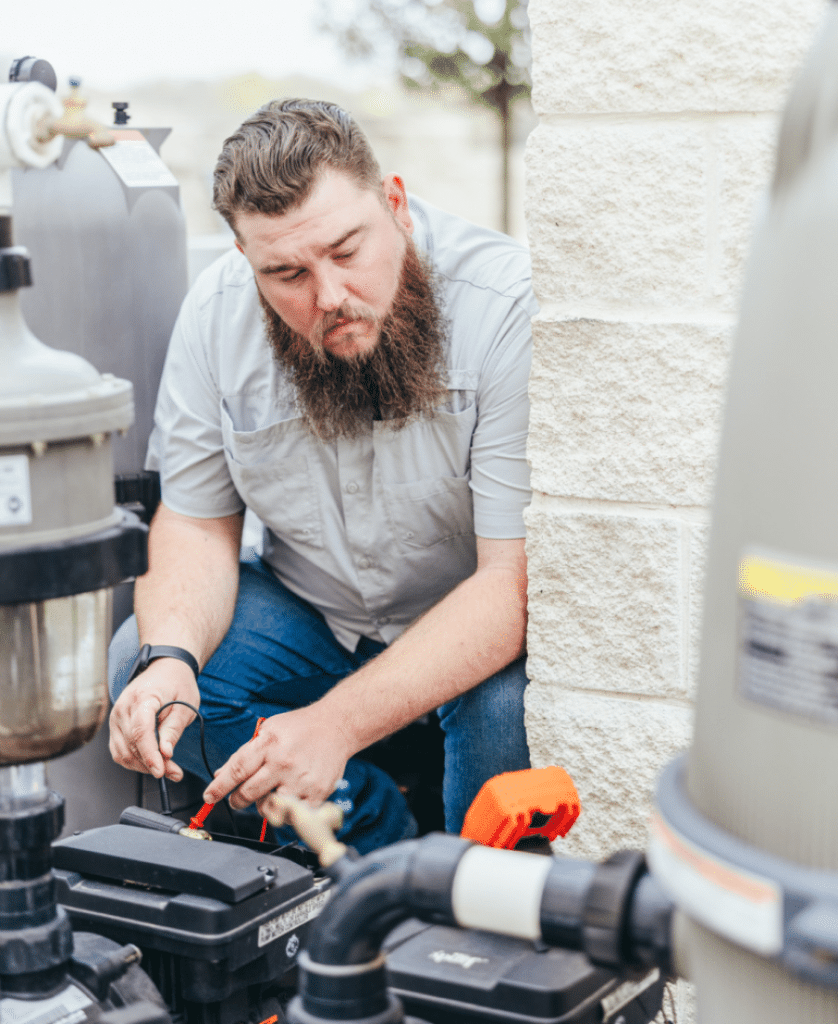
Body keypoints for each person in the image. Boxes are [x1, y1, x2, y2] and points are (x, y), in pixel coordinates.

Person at [108, 98, 536, 853]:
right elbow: (198, 522)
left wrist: (334, 726)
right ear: (246, 261)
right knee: (144, 667)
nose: (330, 295)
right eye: (287, 273)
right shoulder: (216, 314)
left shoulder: (503, 306)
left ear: (395, 204)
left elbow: (511, 583)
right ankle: (374, 845)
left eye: (346, 250)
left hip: (467, 628)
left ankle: (467, 901)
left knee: (508, 714)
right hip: (317, 615)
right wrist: (169, 658)